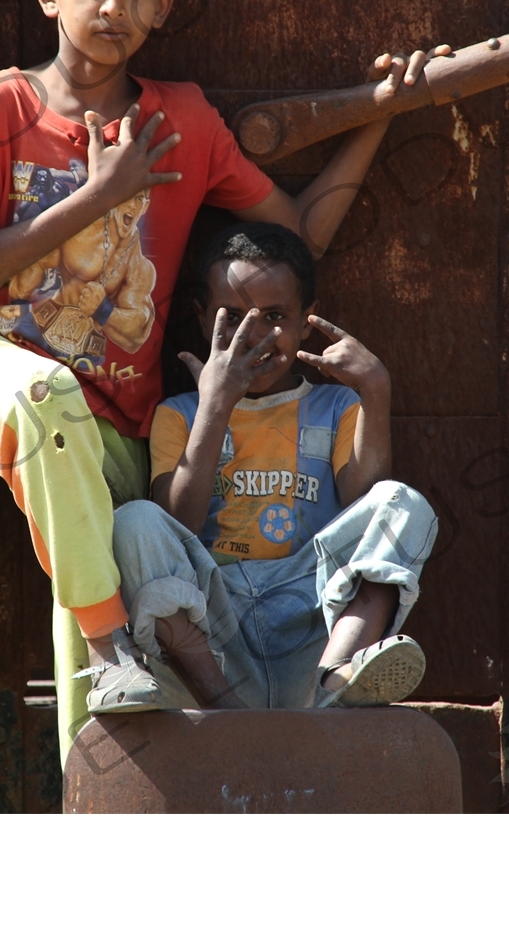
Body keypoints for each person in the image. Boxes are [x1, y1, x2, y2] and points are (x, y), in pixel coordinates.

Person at [0, 0, 431, 754]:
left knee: (101, 565)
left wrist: (379, 119)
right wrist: (102, 195)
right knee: (48, 407)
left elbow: (296, 234)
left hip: (116, 415)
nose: (114, 6)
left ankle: (90, 787)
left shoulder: (183, 122)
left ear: (165, 5)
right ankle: (109, 647)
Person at [112, 223, 437, 711]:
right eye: (234, 317)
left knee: (405, 504)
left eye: (274, 316)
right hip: (217, 639)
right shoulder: (179, 413)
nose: (254, 335)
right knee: (133, 522)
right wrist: (215, 408)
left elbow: (364, 502)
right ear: (201, 320)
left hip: (312, 623)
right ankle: (224, 709)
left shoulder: (337, 406)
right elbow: (178, 523)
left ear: (307, 321)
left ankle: (336, 675)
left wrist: (376, 390)